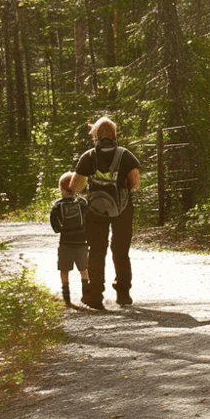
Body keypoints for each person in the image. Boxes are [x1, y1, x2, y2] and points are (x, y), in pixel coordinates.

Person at [70, 116, 141, 310]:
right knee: (121, 251)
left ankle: (95, 296)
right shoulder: (126, 156)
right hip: (123, 209)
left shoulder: (88, 157)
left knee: (96, 250)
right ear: (114, 135)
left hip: (96, 210)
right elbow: (136, 183)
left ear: (96, 136)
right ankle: (123, 294)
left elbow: (75, 187)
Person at [49, 172, 90, 307]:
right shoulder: (82, 202)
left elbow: (55, 224)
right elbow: (89, 218)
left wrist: (61, 229)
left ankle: (66, 296)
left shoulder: (57, 204)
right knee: (84, 268)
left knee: (64, 269)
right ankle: (86, 294)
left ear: (61, 188)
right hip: (82, 241)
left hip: (66, 241)